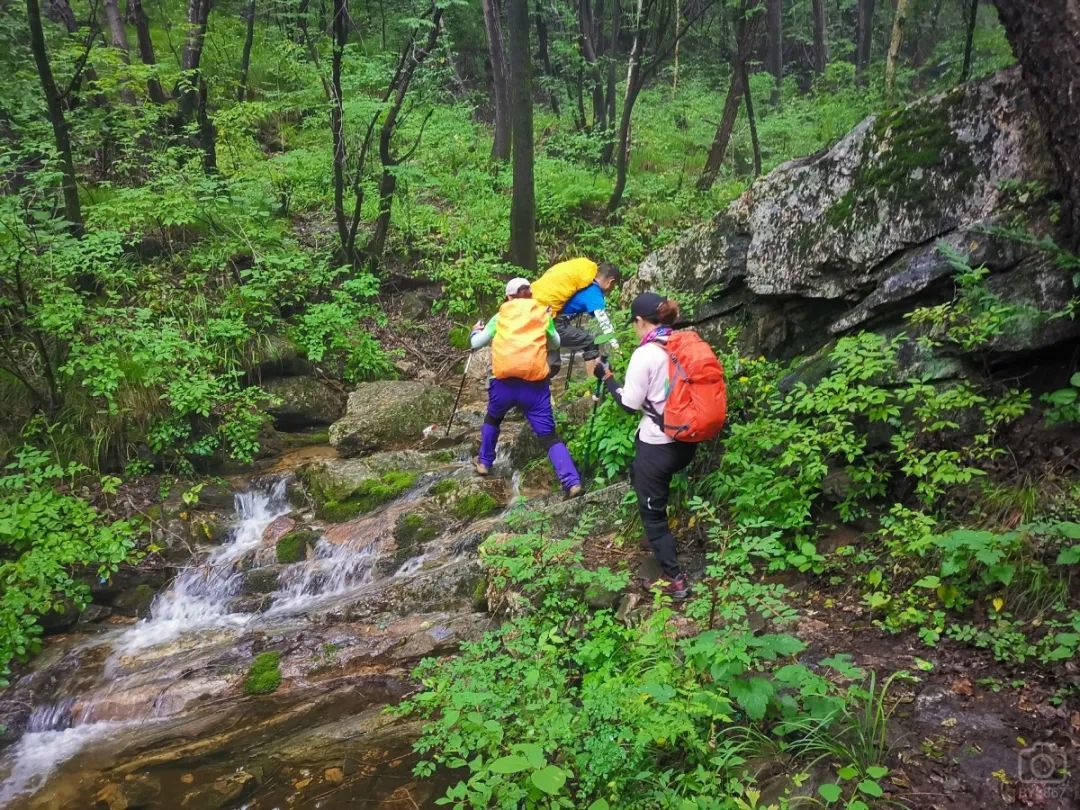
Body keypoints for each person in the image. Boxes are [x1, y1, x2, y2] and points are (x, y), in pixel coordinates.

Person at [594, 292, 694, 599]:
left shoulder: (646, 354)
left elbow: (629, 405)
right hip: (688, 439)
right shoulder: (684, 343)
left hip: (659, 444)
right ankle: (659, 540)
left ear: (640, 321)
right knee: (642, 477)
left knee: (652, 512)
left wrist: (607, 377)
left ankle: (675, 579)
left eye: (635, 324)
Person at [469, 278, 583, 497]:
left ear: (509, 297)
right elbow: (556, 343)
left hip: (504, 385)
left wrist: (474, 332)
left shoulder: (500, 315)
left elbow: (476, 343)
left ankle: (484, 463)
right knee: (549, 436)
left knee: (493, 418)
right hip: (535, 387)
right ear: (530, 294)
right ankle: (571, 481)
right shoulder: (541, 313)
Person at [531, 258, 622, 379]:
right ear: (611, 282)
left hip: (541, 317)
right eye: (613, 286)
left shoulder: (582, 284)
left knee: (552, 364)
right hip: (553, 323)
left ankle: (536, 386)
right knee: (589, 342)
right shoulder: (594, 293)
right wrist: (616, 347)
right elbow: (604, 323)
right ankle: (593, 383)